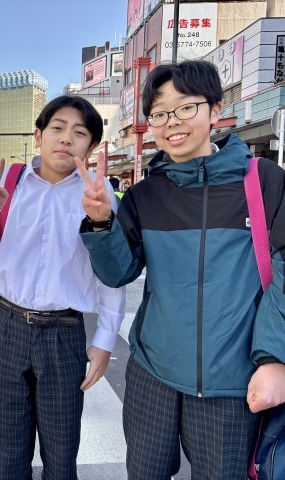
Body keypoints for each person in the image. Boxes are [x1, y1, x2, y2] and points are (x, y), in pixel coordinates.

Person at [76, 60, 285, 479]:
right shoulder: (146, 194)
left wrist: (274, 360)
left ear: (216, 108)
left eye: (186, 107)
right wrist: (100, 223)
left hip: (233, 382)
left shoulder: (262, 181)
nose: (172, 122)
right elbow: (118, 272)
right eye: (159, 113)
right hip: (152, 374)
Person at [0, 95, 125, 480]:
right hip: (7, 325)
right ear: (39, 135)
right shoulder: (9, 184)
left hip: (64, 333)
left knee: (61, 455)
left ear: (92, 146)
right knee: (7, 454)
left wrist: (105, 340)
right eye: (57, 128)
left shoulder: (99, 194)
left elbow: (110, 272)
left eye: (79, 133)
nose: (66, 138)